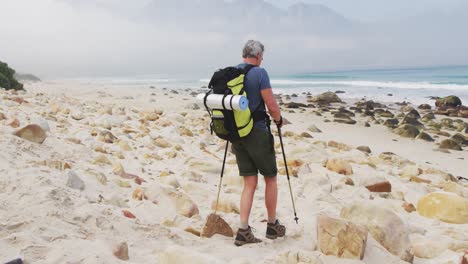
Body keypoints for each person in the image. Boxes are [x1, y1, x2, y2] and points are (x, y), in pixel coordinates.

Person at [232, 40, 287, 246]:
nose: (262, 59)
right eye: (262, 56)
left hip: (237, 133)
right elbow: (271, 104)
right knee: (270, 177)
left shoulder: (233, 72)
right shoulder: (259, 73)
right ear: (257, 56)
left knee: (249, 182)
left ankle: (243, 229)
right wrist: (279, 119)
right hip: (256, 132)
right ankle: (272, 226)